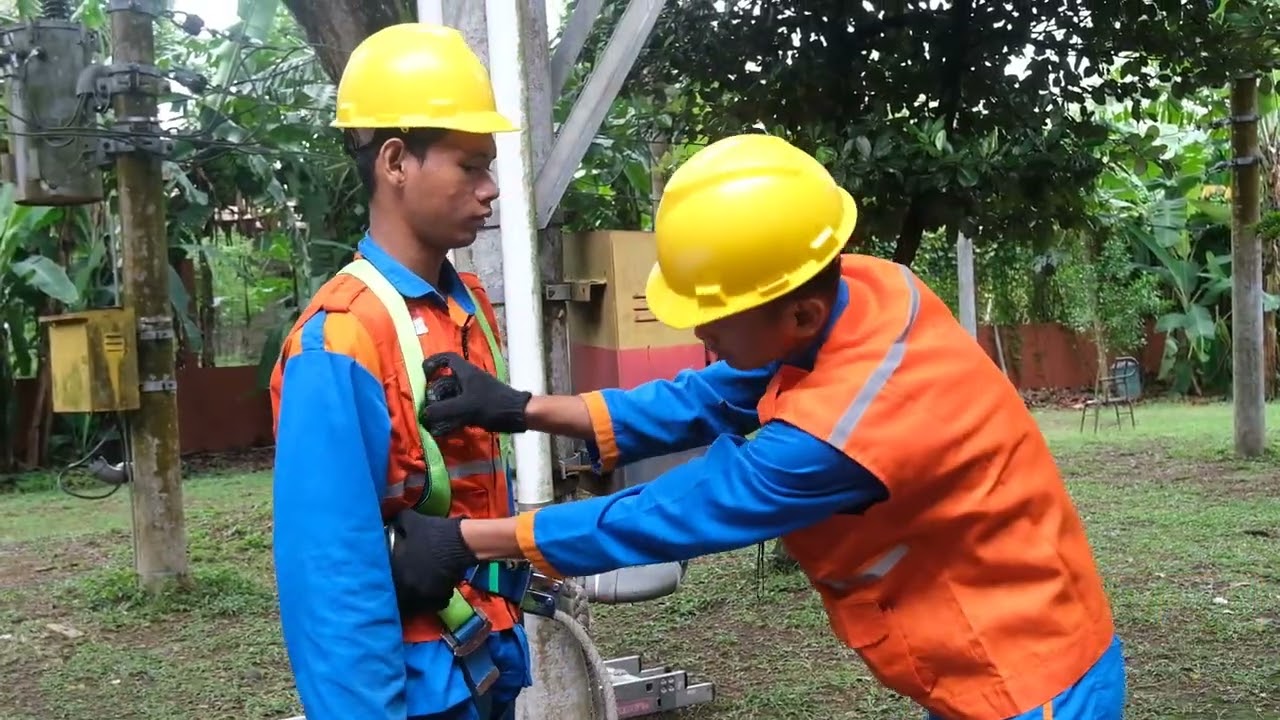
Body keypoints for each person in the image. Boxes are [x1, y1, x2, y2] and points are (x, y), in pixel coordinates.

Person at [390, 133, 1128, 720]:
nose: (704, 340)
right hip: (984, 656)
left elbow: (675, 513)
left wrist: (467, 541)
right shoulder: (862, 288)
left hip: (1029, 676)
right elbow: (709, 396)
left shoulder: (841, 434)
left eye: (714, 325)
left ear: (798, 315)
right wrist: (522, 408)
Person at [268, 23, 533, 720]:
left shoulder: (466, 303)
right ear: (395, 163)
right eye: (470, 166)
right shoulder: (340, 339)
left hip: (486, 658)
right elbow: (331, 573)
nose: (491, 190)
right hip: (413, 686)